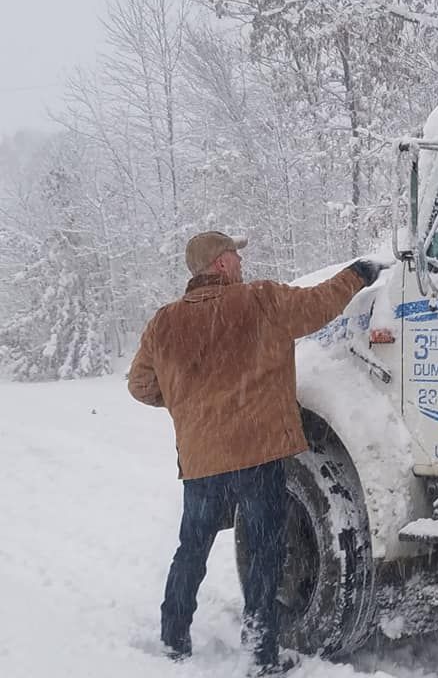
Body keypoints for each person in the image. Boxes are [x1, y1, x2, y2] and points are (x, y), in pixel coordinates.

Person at [127, 231, 384, 675]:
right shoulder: (259, 300)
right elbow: (320, 304)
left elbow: (140, 385)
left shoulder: (163, 322)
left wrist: (191, 402)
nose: (240, 263)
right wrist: (358, 274)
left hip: (203, 460)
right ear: (222, 264)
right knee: (266, 553)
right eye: (235, 256)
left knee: (192, 547)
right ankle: (261, 651)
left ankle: (173, 636)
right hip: (258, 454)